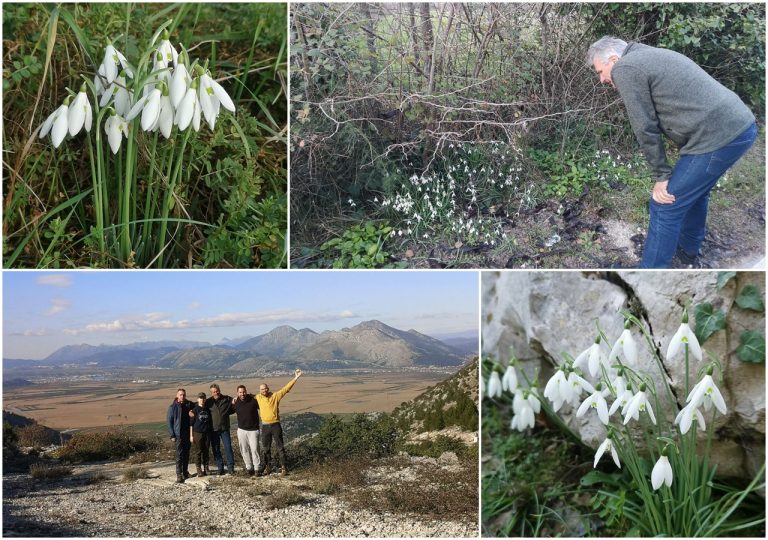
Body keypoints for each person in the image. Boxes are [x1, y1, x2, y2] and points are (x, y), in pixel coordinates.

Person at [586, 36, 757, 268]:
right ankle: (688, 251)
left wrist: (661, 176)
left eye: (600, 71)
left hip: (719, 135)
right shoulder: (648, 55)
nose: (602, 79)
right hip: (738, 126)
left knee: (664, 205)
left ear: (614, 59)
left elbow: (645, 126)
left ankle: (650, 276)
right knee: (694, 192)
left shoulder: (626, 67)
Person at [256, 369, 303, 477]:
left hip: (275, 425)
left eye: (265, 388)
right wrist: (235, 399)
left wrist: (296, 377)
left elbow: (286, 388)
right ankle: (268, 467)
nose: (264, 390)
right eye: (262, 389)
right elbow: (245, 397)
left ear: (268, 389)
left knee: (280, 447)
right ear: (260, 391)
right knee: (266, 448)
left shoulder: (275, 396)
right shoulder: (258, 397)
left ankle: (284, 467)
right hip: (265, 426)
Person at [205, 383, 236, 475]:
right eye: (214, 392)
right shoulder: (208, 402)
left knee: (228, 448)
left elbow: (236, 400)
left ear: (219, 390)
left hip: (224, 429)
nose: (216, 393)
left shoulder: (226, 399)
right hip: (214, 430)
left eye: (217, 390)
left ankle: (231, 468)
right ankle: (220, 467)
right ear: (211, 393)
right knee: (216, 449)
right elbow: (199, 406)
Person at [166, 388, 195, 483]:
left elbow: (199, 404)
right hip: (178, 434)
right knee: (179, 455)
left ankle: (185, 472)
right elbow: (169, 422)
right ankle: (179, 474)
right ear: (177, 395)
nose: (182, 396)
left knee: (186, 453)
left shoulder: (189, 404)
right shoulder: (172, 407)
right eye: (180, 394)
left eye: (184, 395)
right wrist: (172, 435)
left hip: (187, 433)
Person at [231, 385, 260, 475]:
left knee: (255, 449)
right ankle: (249, 468)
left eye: (243, 392)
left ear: (246, 391)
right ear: (237, 393)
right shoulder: (235, 402)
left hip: (253, 430)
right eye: (240, 392)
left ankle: (257, 468)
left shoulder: (253, 400)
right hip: (242, 430)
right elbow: (228, 409)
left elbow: (262, 401)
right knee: (244, 449)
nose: (242, 394)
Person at [190, 392, 212, 477]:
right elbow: (191, 424)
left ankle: (206, 468)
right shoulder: (194, 410)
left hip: (207, 433)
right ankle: (198, 469)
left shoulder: (207, 409)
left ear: (205, 399)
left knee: (206, 451)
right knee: (198, 452)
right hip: (197, 433)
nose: (202, 400)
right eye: (200, 398)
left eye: (203, 398)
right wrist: (191, 436)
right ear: (197, 399)